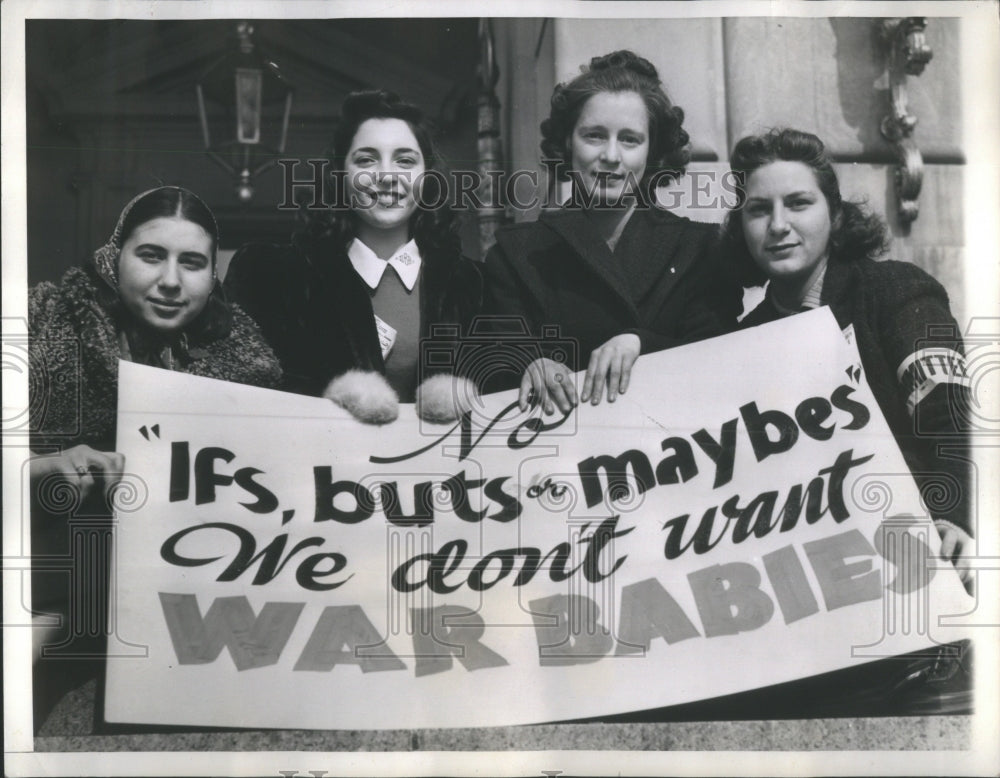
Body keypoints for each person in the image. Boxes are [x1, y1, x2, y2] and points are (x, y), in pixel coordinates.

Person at [28, 185, 282, 729]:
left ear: (213, 277)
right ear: (112, 256)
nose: (170, 281)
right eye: (150, 256)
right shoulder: (42, 326)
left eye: (192, 263)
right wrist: (39, 466)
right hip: (49, 593)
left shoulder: (247, 367)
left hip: (182, 620)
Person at [723, 127, 974, 590]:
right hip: (810, 588)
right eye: (759, 209)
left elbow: (947, 416)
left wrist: (952, 518)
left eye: (798, 203)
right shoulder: (741, 339)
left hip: (915, 567)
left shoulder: (895, 290)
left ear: (835, 216)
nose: (778, 225)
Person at [483, 50, 742, 414]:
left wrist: (641, 344)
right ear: (567, 145)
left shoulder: (699, 250)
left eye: (630, 139)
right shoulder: (516, 255)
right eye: (594, 136)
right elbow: (494, 358)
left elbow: (722, 362)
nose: (611, 155)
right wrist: (528, 364)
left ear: (653, 153)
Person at [225, 89, 483, 424]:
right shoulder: (276, 276)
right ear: (340, 174)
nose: (387, 176)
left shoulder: (471, 283)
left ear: (427, 177)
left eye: (405, 160)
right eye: (366, 159)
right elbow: (246, 392)